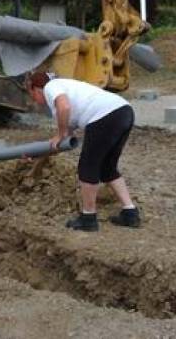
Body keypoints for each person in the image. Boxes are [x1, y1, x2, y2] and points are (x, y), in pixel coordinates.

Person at [26, 71, 140, 231]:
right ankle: (130, 213)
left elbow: (63, 108)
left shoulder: (51, 87)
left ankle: (88, 218)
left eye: (31, 95)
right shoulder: (68, 90)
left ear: (35, 88)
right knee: (107, 168)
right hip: (124, 111)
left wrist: (59, 133)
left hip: (104, 116)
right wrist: (38, 153)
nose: (34, 101)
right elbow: (63, 140)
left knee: (87, 168)